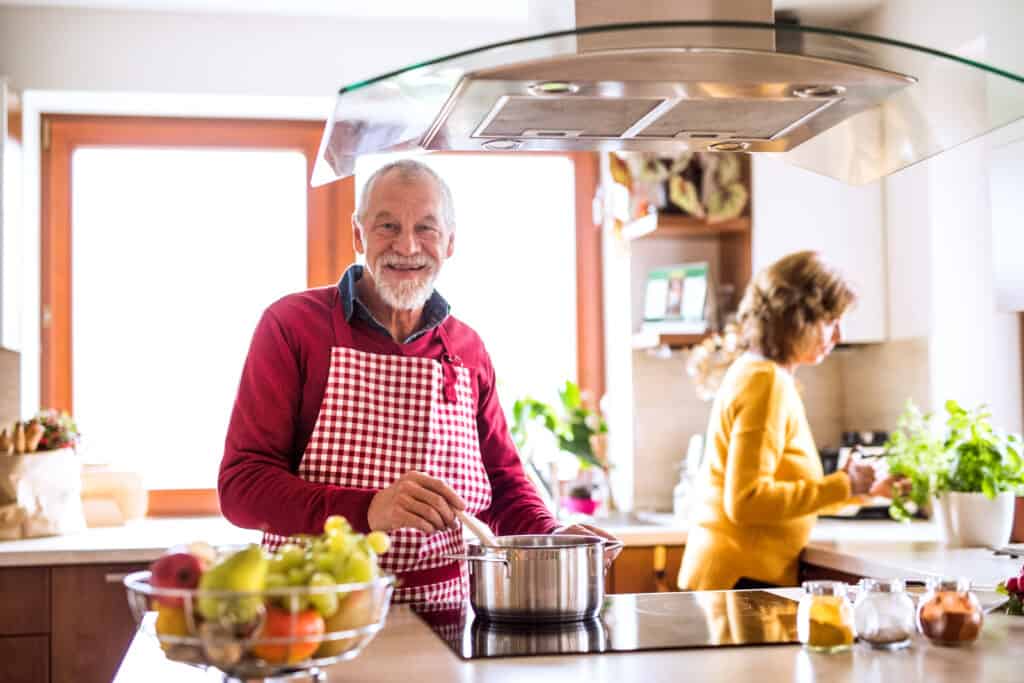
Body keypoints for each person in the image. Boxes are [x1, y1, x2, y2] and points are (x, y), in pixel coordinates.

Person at [219, 158, 618, 605]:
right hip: (314, 611)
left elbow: (503, 486)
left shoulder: (468, 350)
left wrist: (552, 534)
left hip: (446, 614)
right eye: (387, 225)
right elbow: (242, 487)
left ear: (450, 242)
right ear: (358, 235)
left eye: (426, 228)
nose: (407, 246)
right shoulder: (292, 326)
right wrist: (367, 510)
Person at [678, 251, 886, 591]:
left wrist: (859, 491)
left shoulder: (757, 372)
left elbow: (782, 498)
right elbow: (747, 502)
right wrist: (843, 485)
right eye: (830, 321)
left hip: (734, 579)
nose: (839, 336)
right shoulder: (765, 382)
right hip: (738, 584)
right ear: (798, 320)